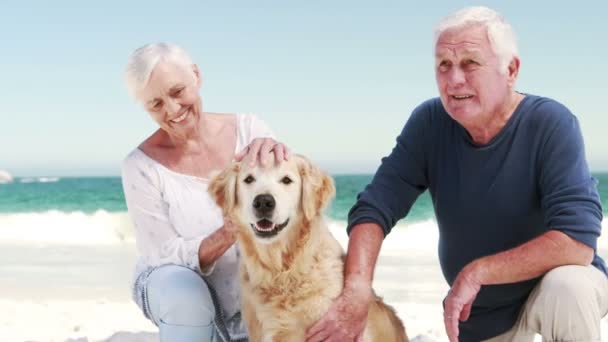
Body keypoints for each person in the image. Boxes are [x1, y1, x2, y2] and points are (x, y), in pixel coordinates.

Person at [306, 6, 607, 342]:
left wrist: (477, 272)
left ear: (511, 69)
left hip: (551, 290)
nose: (454, 80)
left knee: (569, 286)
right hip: (481, 313)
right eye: (443, 66)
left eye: (470, 63)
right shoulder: (429, 123)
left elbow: (577, 242)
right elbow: (374, 207)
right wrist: (357, 289)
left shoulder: (551, 122)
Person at [121, 42, 289, 342]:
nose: (172, 110)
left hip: (252, 300)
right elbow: (162, 254)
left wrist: (281, 163)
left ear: (196, 76)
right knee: (183, 290)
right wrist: (226, 234)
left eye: (177, 92)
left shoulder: (252, 131)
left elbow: (287, 212)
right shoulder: (140, 167)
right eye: (156, 104)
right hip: (172, 285)